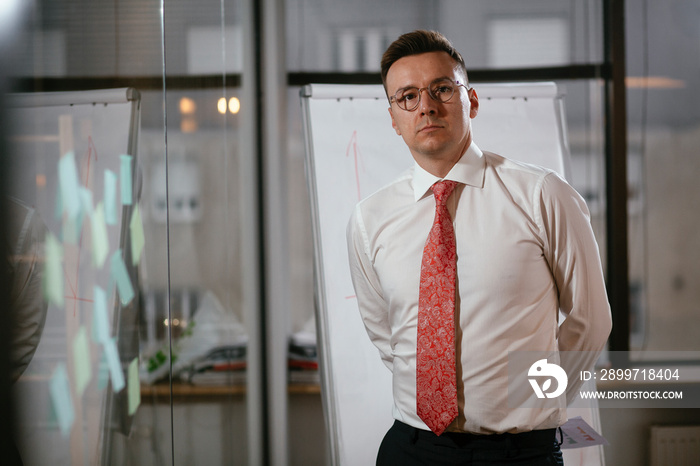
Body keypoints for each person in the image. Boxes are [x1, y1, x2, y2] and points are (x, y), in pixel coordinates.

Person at [346, 30, 612, 465]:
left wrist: (531, 397)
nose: (426, 106)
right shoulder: (369, 219)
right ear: (394, 119)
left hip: (516, 453)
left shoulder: (543, 195)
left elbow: (591, 319)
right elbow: (388, 337)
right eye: (407, 97)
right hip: (411, 449)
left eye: (441, 89)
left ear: (470, 101)